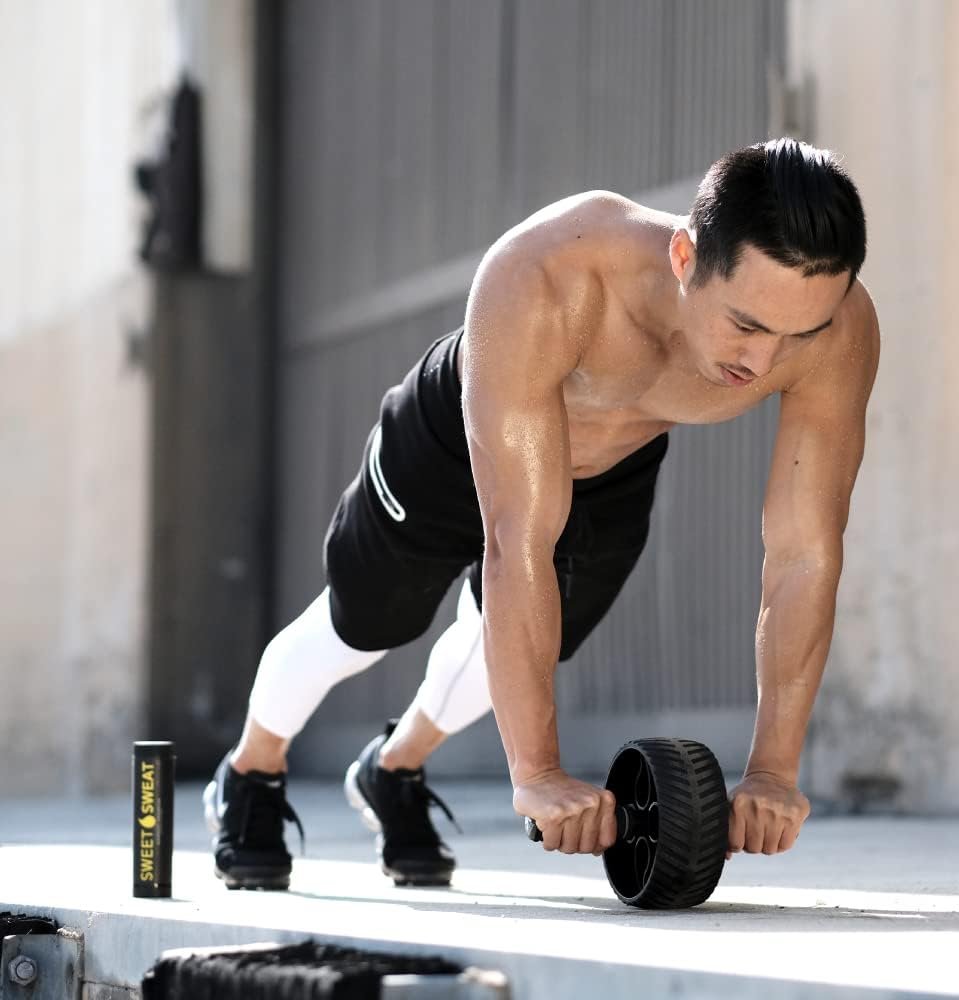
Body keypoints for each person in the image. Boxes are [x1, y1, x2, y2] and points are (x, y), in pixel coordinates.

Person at [203, 137, 879, 890]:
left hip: (612, 469)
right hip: (450, 437)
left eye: (798, 334)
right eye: (746, 325)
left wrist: (773, 771)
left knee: (514, 640)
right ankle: (250, 772)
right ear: (685, 257)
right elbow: (517, 539)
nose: (763, 362)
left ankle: (394, 768)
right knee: (364, 625)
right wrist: (538, 772)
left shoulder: (839, 330)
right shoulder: (553, 273)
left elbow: (804, 553)